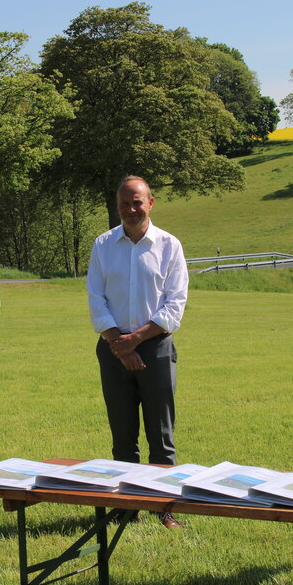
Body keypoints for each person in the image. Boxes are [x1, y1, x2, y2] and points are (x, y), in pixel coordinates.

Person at [87, 176, 189, 529]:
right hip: (113, 350)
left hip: (156, 348)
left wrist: (136, 340)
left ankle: (165, 507)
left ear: (151, 203)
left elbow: (175, 303)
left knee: (161, 435)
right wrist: (120, 343)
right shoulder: (103, 245)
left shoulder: (169, 245)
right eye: (123, 204)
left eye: (136, 202)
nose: (130, 209)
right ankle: (127, 507)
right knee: (123, 434)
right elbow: (96, 299)